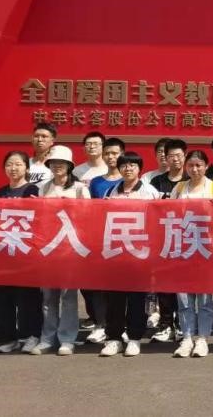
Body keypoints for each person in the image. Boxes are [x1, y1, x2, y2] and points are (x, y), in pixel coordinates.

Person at [98, 151, 160, 358]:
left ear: (139, 169)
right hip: (115, 252)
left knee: (136, 298)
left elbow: (156, 220)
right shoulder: (111, 190)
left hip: (139, 253)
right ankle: (113, 338)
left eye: (133, 165)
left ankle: (134, 338)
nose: (128, 169)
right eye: (124, 165)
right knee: (114, 299)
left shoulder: (149, 191)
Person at [33, 144, 90, 356]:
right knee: (48, 297)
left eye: (61, 163)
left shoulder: (80, 189)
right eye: (53, 163)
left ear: (69, 166)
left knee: (68, 296)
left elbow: (89, 216)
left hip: (70, 248)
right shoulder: (44, 188)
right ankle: (47, 338)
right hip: (49, 248)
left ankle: (67, 339)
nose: (57, 166)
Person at [168, 149, 213, 358]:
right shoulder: (179, 188)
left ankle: (202, 338)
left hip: (206, 250)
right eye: (191, 165)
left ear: (206, 166)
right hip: (183, 249)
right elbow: (168, 215)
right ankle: (186, 337)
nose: (194, 169)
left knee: (205, 299)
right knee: (184, 298)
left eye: (199, 165)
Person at [0, 151, 42, 354]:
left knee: (28, 296)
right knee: (4, 297)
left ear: (27, 168)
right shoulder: (0, 192)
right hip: (4, 252)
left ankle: (31, 335)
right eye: (9, 164)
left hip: (26, 252)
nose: (13, 168)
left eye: (18, 164)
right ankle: (8, 338)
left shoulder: (33, 190)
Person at [82, 136, 126, 343]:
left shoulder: (130, 180)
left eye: (115, 153)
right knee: (96, 285)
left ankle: (121, 324)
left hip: (124, 238)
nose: (110, 157)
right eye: (107, 153)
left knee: (121, 286)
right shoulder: (96, 182)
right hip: (99, 238)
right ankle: (100, 324)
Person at [148, 138, 188, 342]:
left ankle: (182, 324)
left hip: (187, 239)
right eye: (171, 155)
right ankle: (166, 325)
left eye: (179, 155)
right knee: (164, 284)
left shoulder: (190, 180)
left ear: (185, 156)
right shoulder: (157, 182)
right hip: (163, 239)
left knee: (183, 286)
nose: (175, 159)